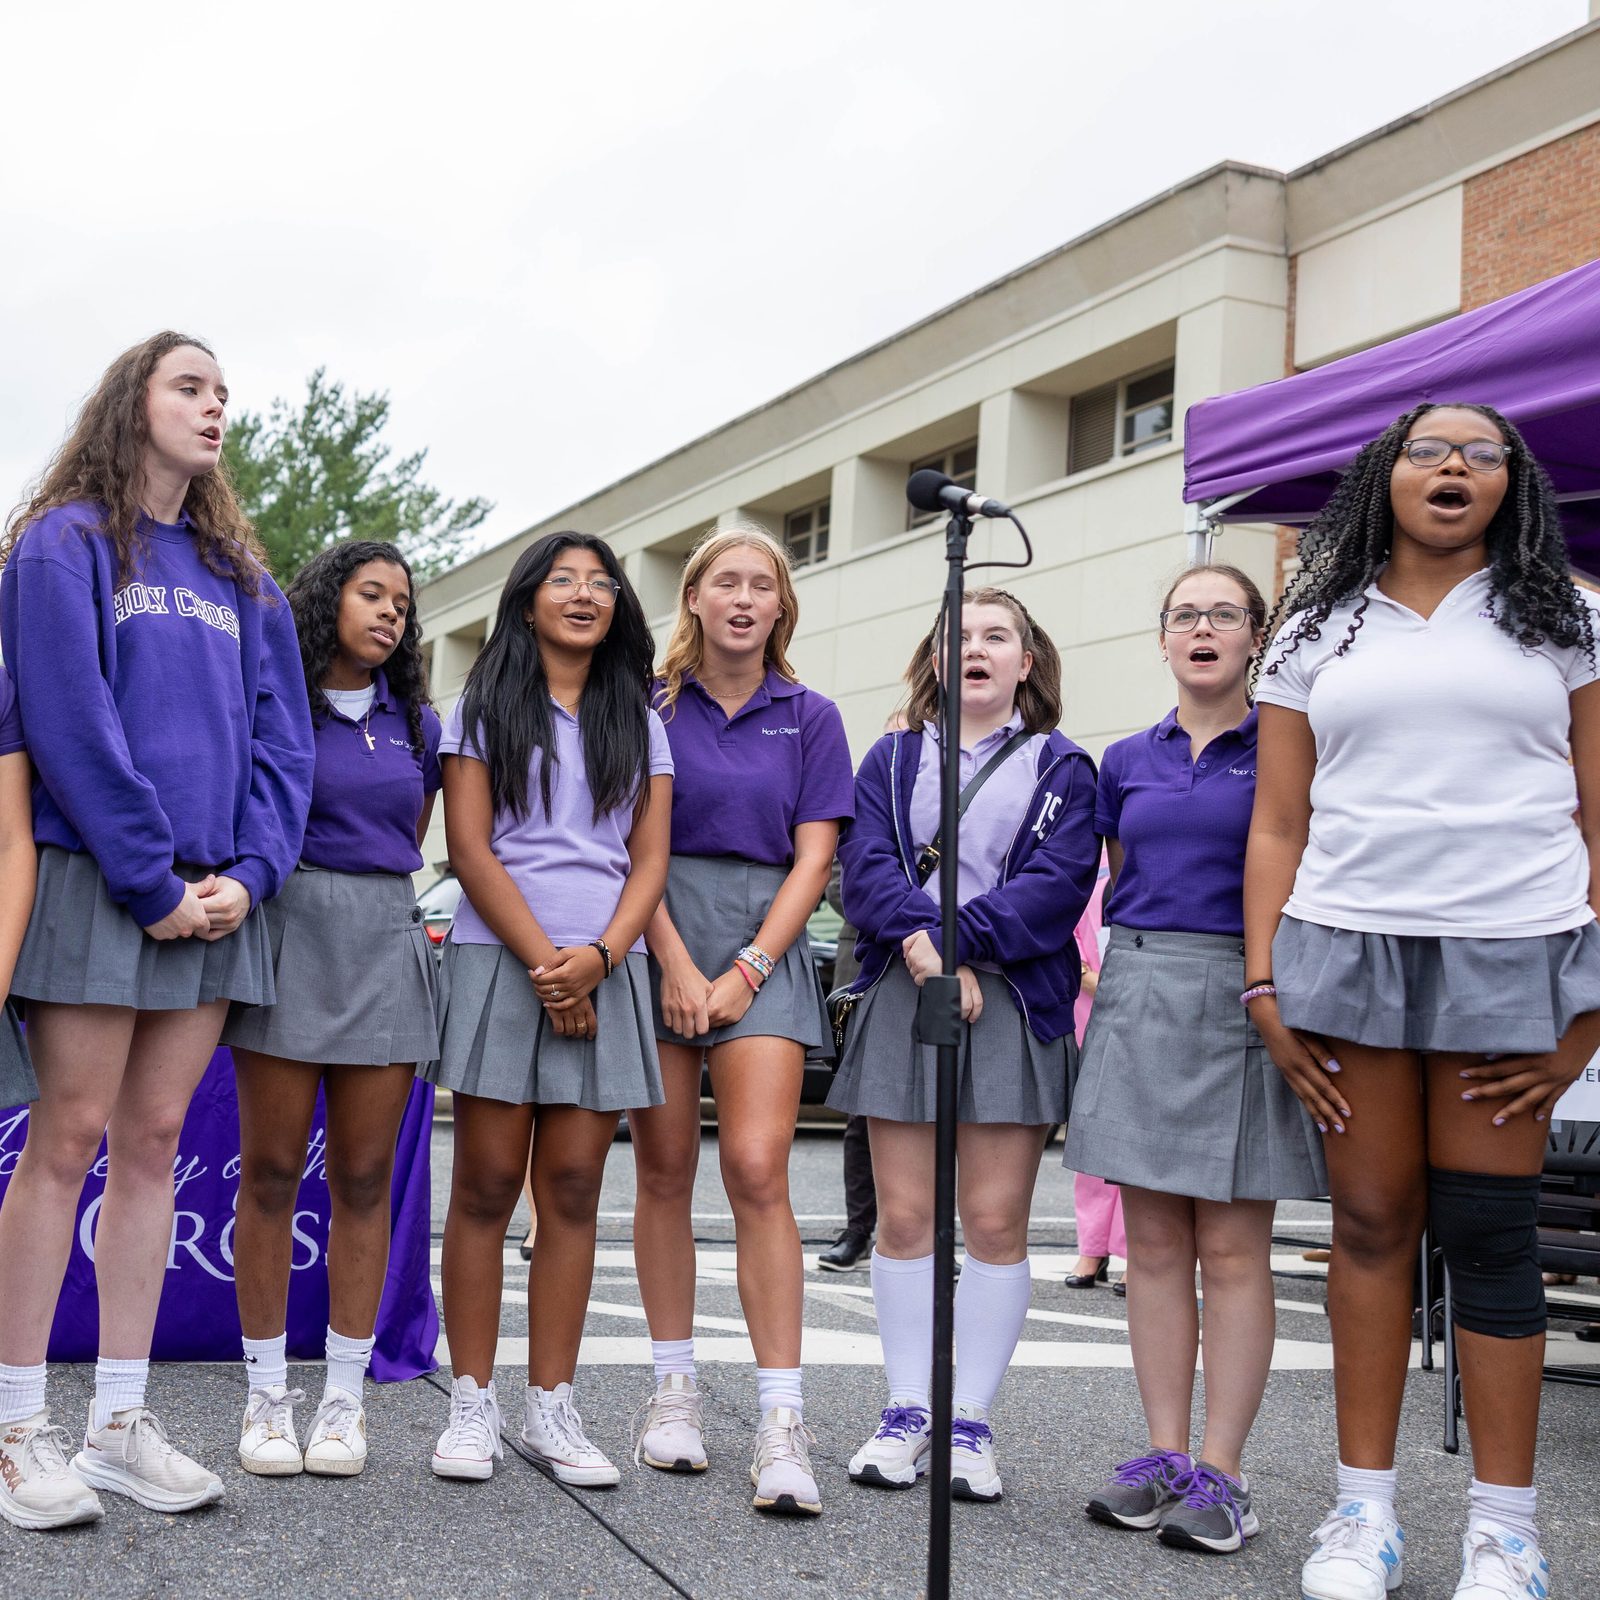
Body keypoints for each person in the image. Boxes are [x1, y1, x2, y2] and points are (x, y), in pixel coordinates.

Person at [1247, 404, 1600, 1600]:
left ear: (1512, 484)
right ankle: (1364, 1515)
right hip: (1345, 947)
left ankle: (1505, 1534)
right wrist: (1262, 979)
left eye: (1481, 452)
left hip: (1513, 947)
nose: (1453, 466)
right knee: (1366, 1226)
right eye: (1427, 449)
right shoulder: (1314, 625)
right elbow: (1278, 821)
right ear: (1383, 475)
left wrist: (1591, 1013)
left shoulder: (1570, 617)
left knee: (1492, 1239)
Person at [0, 332, 314, 1530]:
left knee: (154, 1140)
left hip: (217, 896)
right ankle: (19, 1426)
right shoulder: (62, 543)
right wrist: (150, 877)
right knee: (67, 1135)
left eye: (225, 393)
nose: (215, 406)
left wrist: (252, 872)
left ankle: (118, 1421)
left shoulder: (243, 576)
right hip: (104, 880)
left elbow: (286, 744)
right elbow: (70, 722)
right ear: (132, 402)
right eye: (191, 386)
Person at [1066, 563, 1326, 1556]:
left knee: (1231, 1249)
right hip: (1139, 994)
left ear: (1255, 635)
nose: (1203, 627)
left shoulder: (1288, 746)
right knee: (1154, 1249)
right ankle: (1164, 1458)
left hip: (1243, 989)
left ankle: (1225, 1475)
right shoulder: (1124, 758)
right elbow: (1120, 881)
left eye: (1223, 613)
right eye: (1185, 614)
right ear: (1163, 638)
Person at [833, 588, 1097, 1502]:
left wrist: (961, 946)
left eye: (998, 636)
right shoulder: (892, 755)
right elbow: (860, 869)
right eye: (959, 636)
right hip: (906, 997)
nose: (976, 648)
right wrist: (924, 944)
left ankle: (970, 1423)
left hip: (1012, 1006)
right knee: (903, 1220)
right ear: (937, 658)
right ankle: (906, 1410)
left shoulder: (1065, 767)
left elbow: (1055, 890)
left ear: (1028, 661)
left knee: (991, 1223)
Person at [423, 532, 672, 1488]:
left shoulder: (640, 719)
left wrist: (601, 958)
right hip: (504, 966)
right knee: (485, 1185)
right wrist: (546, 965)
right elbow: (472, 850)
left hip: (608, 968)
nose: (584, 594)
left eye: (600, 583)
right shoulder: (482, 706)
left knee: (571, 1189)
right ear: (528, 601)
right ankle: (473, 1400)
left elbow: (649, 861)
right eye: (562, 580)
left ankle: (551, 1407)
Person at [629, 524, 853, 1518]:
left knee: (759, 1168)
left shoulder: (809, 715)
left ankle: (781, 1422)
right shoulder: (646, 706)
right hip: (661, 932)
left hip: (764, 946)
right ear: (693, 598)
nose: (745, 596)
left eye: (763, 584)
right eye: (727, 580)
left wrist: (752, 964)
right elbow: (632, 842)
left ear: (780, 607)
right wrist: (674, 961)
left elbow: (816, 858)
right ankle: (673, 1392)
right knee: (664, 1170)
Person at [222, 540, 442, 1479]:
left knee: (362, 1181)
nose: (390, 613)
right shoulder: (270, 702)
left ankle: (343, 1401)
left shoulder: (419, 724)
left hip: (383, 940)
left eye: (402, 602)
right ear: (326, 600)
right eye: (371, 594)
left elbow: (412, 835)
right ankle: (267, 1397)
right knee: (270, 1174)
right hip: (287, 931)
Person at [1065, 870, 1126, 1291]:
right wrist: (1085, 973)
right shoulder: (1090, 852)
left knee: (1134, 1130)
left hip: (1138, 994)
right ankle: (1093, 1244)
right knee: (1090, 1127)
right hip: (1086, 1001)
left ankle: (1130, 1248)